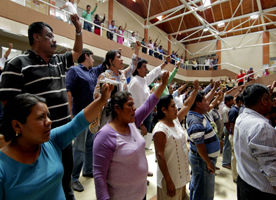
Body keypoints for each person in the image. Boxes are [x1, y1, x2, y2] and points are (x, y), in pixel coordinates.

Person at [0, 18, 82, 200]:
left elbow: (77, 51)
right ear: (36, 37)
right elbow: (9, 102)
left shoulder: (59, 61)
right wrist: (28, 130)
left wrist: (78, 29)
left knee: (65, 176)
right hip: (40, 138)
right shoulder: (17, 63)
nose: (54, 40)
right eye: (49, 36)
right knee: (43, 183)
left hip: (64, 134)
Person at [0, 83, 113, 199]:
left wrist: (102, 99)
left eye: (48, 116)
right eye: (40, 117)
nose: (49, 121)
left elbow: (78, 123)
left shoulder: (52, 141)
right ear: (17, 125)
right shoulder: (3, 168)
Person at [93, 71, 170, 200]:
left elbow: (149, 104)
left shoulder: (132, 123)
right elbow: (99, 176)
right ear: (117, 109)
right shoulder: (105, 135)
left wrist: (163, 84)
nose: (134, 108)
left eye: (134, 105)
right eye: (130, 105)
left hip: (140, 195)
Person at [153, 80, 199, 200]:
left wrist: (195, 90)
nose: (176, 108)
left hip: (180, 178)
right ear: (164, 110)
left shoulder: (175, 121)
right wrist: (168, 181)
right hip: (170, 180)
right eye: (172, 106)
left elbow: (187, 105)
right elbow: (160, 156)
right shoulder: (160, 129)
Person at [65, 49, 103, 192]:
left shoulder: (93, 72)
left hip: (92, 117)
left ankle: (88, 170)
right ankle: (73, 178)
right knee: (79, 148)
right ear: (86, 56)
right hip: (80, 116)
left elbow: (105, 65)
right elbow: (68, 91)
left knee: (89, 146)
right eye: (92, 57)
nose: (94, 60)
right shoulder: (74, 70)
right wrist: (70, 114)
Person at [234, 84, 276, 199]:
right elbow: (271, 169)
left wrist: (268, 94)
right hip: (260, 190)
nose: (272, 102)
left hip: (244, 180)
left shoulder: (242, 116)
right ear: (263, 101)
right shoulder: (262, 127)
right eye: (270, 99)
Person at [186, 80, 221, 200]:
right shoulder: (196, 121)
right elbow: (200, 145)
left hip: (201, 159)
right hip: (202, 161)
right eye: (205, 101)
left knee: (198, 187)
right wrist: (209, 162)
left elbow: (207, 99)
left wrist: (214, 87)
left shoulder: (198, 113)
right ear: (198, 104)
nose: (208, 102)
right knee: (204, 192)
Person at [128, 56, 171, 134]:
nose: (147, 69)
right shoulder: (135, 83)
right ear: (137, 69)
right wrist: (141, 125)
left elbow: (155, 72)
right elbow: (137, 107)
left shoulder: (143, 80)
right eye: (144, 67)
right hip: (141, 119)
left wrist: (165, 63)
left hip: (147, 115)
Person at [228, 94, 243, 183]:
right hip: (234, 136)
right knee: (234, 157)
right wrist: (235, 138)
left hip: (236, 136)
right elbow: (232, 126)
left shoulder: (237, 110)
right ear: (240, 101)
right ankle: (235, 177)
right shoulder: (233, 111)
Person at [221, 95, 234, 170]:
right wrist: (230, 132)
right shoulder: (225, 109)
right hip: (227, 128)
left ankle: (228, 161)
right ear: (227, 101)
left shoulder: (230, 108)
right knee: (227, 145)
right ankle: (225, 162)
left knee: (229, 146)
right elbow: (226, 122)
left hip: (230, 128)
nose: (232, 101)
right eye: (231, 100)